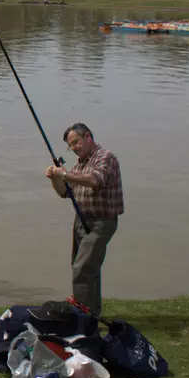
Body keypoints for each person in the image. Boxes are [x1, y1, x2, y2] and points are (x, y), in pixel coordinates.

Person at [45, 122, 123, 316]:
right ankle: (91, 313)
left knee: (82, 268)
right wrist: (56, 178)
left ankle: (81, 316)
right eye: (71, 145)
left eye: (76, 142)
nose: (74, 148)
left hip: (101, 222)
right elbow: (65, 193)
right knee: (84, 266)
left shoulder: (105, 157)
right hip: (81, 221)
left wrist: (66, 174)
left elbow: (95, 179)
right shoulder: (79, 164)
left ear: (88, 136)